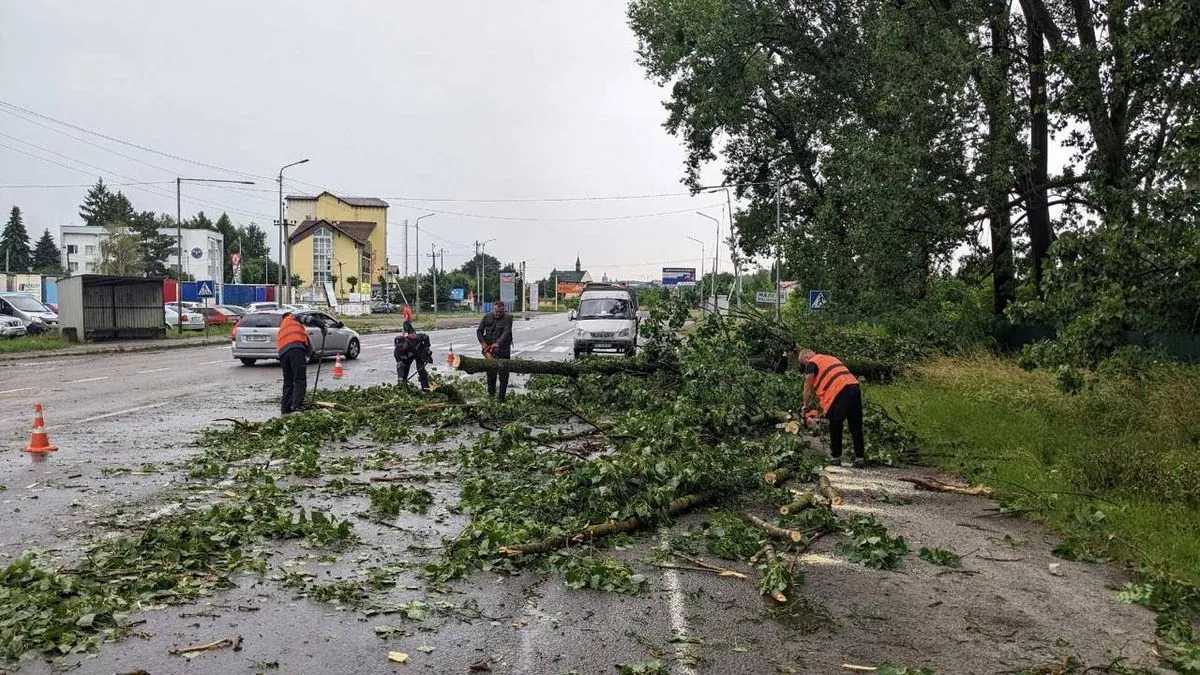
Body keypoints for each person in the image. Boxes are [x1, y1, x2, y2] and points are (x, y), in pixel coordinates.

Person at [798, 347, 865, 467]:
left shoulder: (812, 363)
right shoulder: (829, 358)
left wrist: (805, 406)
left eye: (803, 364)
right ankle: (860, 457)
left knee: (835, 423)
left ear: (806, 358)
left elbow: (807, 386)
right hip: (854, 387)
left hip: (839, 390)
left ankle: (836, 457)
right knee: (855, 424)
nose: (805, 367)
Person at [277, 311, 315, 415]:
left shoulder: (283, 326)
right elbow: (310, 319)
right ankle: (296, 406)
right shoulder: (293, 317)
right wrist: (322, 326)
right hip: (295, 350)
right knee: (300, 379)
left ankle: (285, 407)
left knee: (288, 381)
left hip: (283, 353)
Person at [476, 300, 514, 401]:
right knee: (491, 374)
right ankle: (491, 397)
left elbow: (506, 332)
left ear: (503, 310)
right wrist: (483, 343)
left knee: (503, 375)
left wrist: (498, 343)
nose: (498, 314)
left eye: (500, 312)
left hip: (503, 350)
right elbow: (479, 331)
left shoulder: (508, 319)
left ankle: (501, 398)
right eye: (496, 312)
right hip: (489, 350)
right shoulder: (486, 317)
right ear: (494, 309)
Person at [394, 320, 432, 390]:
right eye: (398, 347)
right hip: (408, 357)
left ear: (406, 342)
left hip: (418, 352)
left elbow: (426, 337)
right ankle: (403, 387)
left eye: (402, 346)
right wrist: (400, 378)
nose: (401, 348)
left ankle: (425, 387)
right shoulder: (397, 352)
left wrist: (427, 349)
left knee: (421, 369)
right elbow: (399, 365)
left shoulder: (414, 339)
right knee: (404, 372)